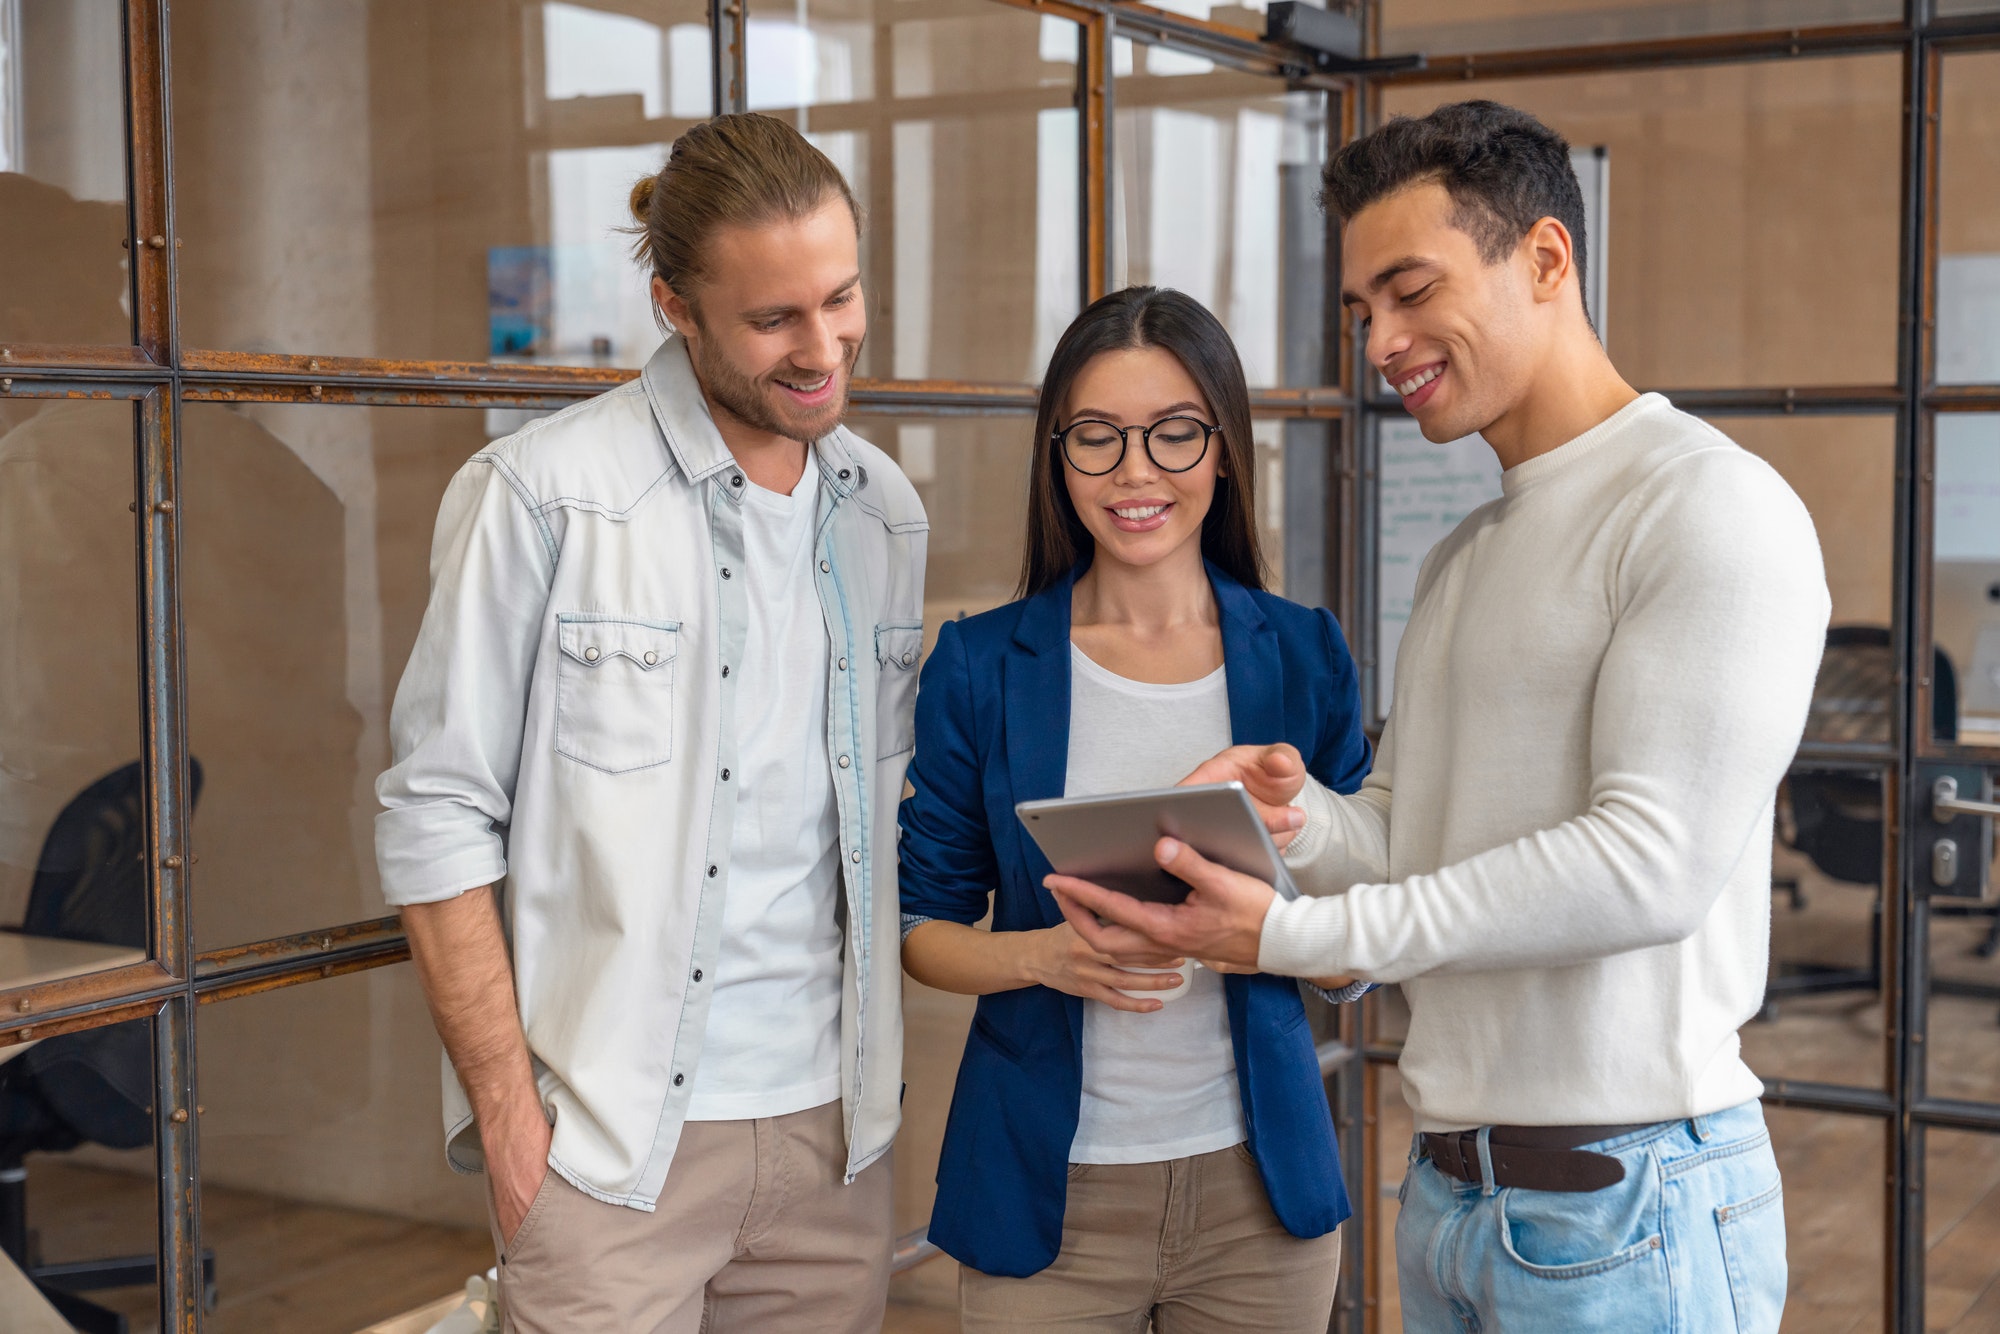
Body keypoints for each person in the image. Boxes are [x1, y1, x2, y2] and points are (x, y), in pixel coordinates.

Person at [1048, 102, 1829, 1334]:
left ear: (1545, 257)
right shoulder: (1466, 552)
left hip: (1628, 1200)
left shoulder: (1708, 509)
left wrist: (1297, 935)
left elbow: (1647, 865)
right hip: (1452, 1191)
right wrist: (1298, 820)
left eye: (1410, 291)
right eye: (1361, 311)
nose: (1382, 341)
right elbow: (1415, 834)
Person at [375, 113, 927, 1334]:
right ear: (675, 305)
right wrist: (513, 1128)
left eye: (840, 298)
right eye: (773, 318)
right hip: (608, 1155)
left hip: (831, 1146)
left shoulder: (881, 511)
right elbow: (435, 816)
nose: (822, 346)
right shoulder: (539, 496)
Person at [898, 286, 1371, 1332]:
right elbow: (920, 930)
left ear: (1222, 449)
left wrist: (1281, 924)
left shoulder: (1302, 653)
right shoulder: (980, 665)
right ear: (1055, 455)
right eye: (1096, 438)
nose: (1135, 472)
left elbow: (1360, 936)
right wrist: (1042, 958)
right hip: (1045, 1192)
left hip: (1260, 1199)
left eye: (1173, 433)